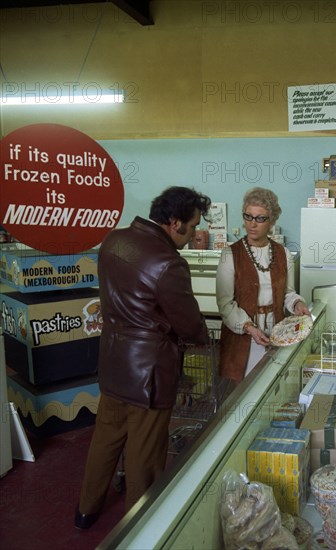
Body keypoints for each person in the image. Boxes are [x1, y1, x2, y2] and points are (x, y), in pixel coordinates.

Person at [75, 186, 211, 529]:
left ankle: (85, 511)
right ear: (174, 222)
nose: (194, 233)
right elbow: (188, 321)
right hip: (150, 371)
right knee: (144, 454)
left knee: (105, 439)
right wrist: (200, 337)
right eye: (192, 226)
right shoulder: (168, 263)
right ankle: (140, 527)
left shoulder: (113, 242)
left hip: (113, 360)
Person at [216, 187, 310, 383]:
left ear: (272, 221)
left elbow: (288, 293)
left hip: (276, 331)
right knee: (242, 391)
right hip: (242, 334)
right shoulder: (230, 254)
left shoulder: (283, 254)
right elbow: (225, 304)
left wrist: (297, 304)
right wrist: (249, 327)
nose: (252, 224)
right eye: (248, 217)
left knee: (269, 387)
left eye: (260, 218)